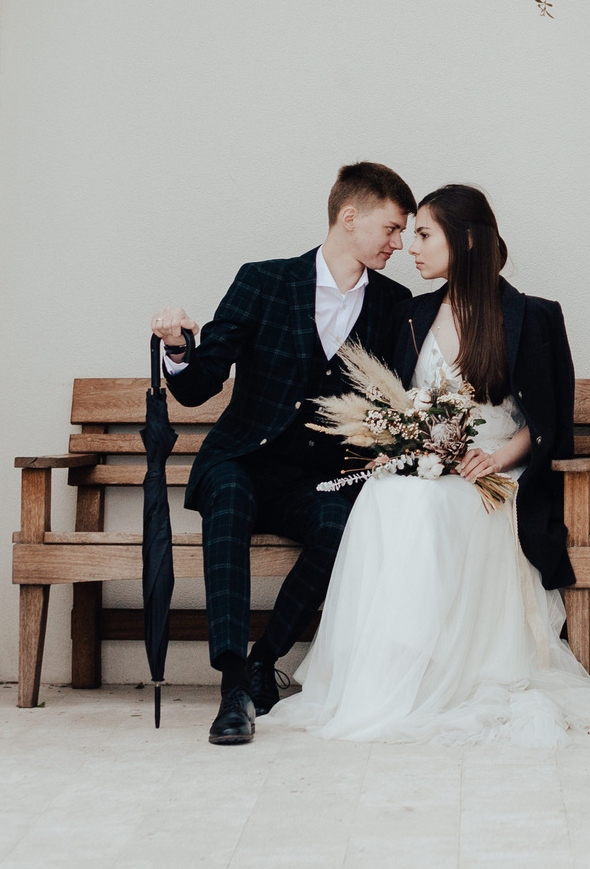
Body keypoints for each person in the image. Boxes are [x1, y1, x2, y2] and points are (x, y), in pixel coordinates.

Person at [273, 182, 590, 746]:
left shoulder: (532, 316)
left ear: (467, 241)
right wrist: (412, 447)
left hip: (496, 475)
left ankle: (434, 672)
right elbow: (394, 404)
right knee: (388, 494)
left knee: (425, 504)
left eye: (424, 235)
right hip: (425, 467)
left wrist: (494, 457)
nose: (411, 247)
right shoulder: (410, 314)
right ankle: (388, 677)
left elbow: (549, 423)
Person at [152, 160, 422, 747]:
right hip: (243, 461)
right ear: (349, 217)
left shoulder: (394, 303)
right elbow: (198, 388)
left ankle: (262, 662)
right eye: (391, 228)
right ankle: (232, 689)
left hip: (318, 479)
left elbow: (398, 401)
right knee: (228, 500)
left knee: (343, 527)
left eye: (403, 233)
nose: (398, 244)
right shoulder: (263, 281)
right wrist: (178, 349)